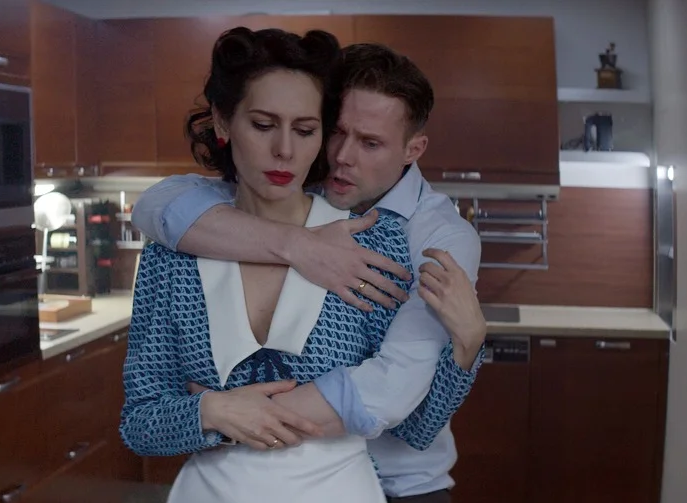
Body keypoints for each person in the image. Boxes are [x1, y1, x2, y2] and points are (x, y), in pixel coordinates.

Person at [118, 27, 478, 503]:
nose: (285, 150)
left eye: (306, 131)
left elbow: (414, 425)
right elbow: (140, 423)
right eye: (263, 125)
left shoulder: (382, 243)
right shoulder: (174, 251)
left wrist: (467, 347)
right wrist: (212, 413)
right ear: (224, 123)